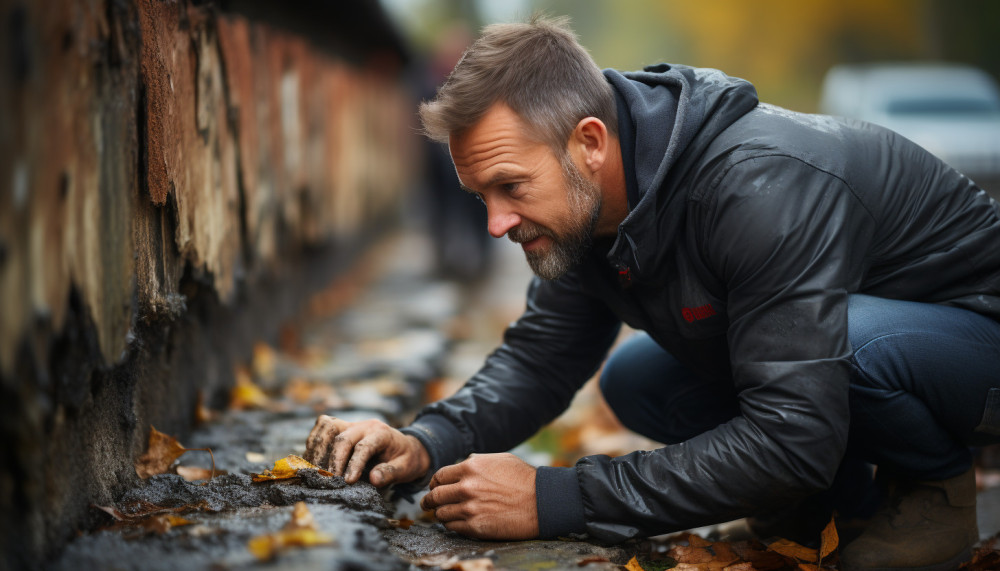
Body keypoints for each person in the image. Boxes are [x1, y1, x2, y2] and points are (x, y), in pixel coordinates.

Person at [305, 15, 1000, 570]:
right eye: (479, 196)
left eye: (511, 188)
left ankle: (933, 484)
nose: (495, 223)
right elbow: (540, 360)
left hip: (975, 340)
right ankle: (826, 504)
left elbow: (796, 432)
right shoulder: (587, 210)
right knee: (638, 379)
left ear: (590, 142)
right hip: (861, 345)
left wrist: (557, 497)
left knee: (841, 347)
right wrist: (425, 439)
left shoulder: (754, 186)